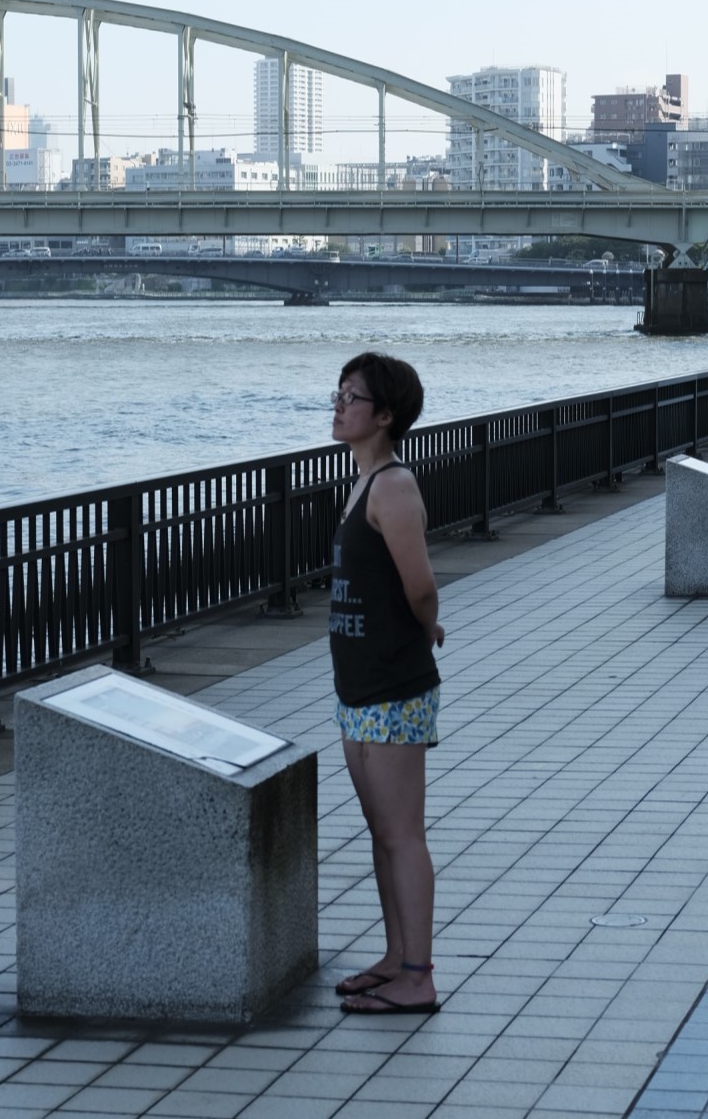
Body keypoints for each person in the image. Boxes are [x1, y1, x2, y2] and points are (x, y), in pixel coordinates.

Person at [326, 352, 445, 1016]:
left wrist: (430, 625)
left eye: (352, 397)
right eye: (338, 394)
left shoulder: (393, 486)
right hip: (361, 686)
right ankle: (395, 956)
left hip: (394, 685)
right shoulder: (361, 480)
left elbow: (420, 583)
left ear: (387, 415)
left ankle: (419, 975)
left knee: (403, 834)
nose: (339, 406)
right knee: (381, 831)